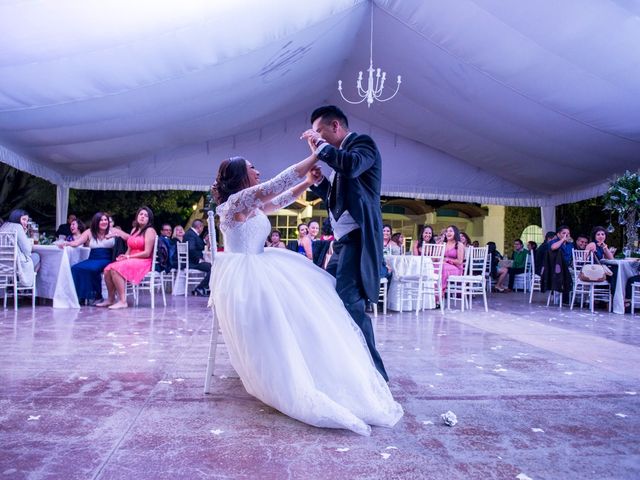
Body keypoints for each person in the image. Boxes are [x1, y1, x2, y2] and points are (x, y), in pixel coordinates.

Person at [210, 154, 402, 436]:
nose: (258, 170)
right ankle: (294, 371)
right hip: (246, 277)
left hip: (264, 263)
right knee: (293, 308)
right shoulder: (234, 204)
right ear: (241, 175)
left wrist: (308, 183)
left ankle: (317, 364)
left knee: (311, 304)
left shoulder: (251, 202)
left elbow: (278, 200)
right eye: (252, 168)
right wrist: (316, 154)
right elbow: (276, 185)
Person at [303, 105, 388, 381]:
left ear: (335, 126)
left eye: (319, 132)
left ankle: (375, 377)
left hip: (357, 241)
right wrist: (319, 184)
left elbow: (351, 167)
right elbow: (341, 197)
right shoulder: (340, 159)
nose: (316, 137)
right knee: (329, 297)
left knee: (351, 305)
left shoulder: (363, 145)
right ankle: (346, 368)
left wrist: (321, 148)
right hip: (340, 244)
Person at [98, 207, 157, 309]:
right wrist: (124, 257)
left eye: (146, 215)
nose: (142, 216)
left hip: (143, 261)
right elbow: (129, 249)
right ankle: (110, 299)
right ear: (137, 216)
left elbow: (147, 253)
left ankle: (122, 301)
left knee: (115, 269)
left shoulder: (150, 230)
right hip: (131, 258)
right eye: (141, 214)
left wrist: (129, 257)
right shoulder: (134, 230)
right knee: (107, 269)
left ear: (149, 219)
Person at [64, 212, 115, 304]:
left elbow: (128, 238)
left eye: (105, 220)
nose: (104, 222)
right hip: (93, 257)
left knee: (92, 269)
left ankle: (96, 296)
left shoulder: (113, 231)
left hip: (107, 258)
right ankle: (81, 296)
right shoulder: (89, 231)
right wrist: (65, 243)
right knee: (76, 268)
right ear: (96, 222)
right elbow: (76, 243)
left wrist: (116, 236)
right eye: (101, 220)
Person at [0, 209, 38, 287]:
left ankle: (16, 284)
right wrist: (24, 233)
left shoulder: (4, 226)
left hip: (3, 264)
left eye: (27, 220)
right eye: (23, 219)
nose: (25, 223)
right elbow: (27, 251)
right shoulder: (18, 227)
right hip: (16, 264)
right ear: (16, 218)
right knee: (37, 257)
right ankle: (24, 286)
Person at [585, 226, 617, 295]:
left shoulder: (602, 246)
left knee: (615, 272)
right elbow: (584, 258)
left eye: (603, 234)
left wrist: (605, 248)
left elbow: (612, 259)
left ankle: (611, 297)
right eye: (598, 234)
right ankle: (613, 296)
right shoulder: (592, 244)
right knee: (615, 273)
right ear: (594, 236)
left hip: (599, 270)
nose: (601, 236)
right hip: (592, 270)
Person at [184, 219, 211, 296]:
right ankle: (200, 288)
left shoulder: (192, 234)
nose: (202, 230)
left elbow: (197, 246)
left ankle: (205, 288)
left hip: (192, 261)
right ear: (199, 227)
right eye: (202, 227)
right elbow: (191, 249)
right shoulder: (190, 235)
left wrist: (205, 241)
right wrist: (199, 260)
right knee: (213, 268)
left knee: (212, 266)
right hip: (192, 262)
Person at [441, 225, 465, 294]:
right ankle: (432, 294)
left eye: (450, 231)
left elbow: (460, 261)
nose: (448, 233)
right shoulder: (443, 244)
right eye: (447, 231)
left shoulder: (459, 244)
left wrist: (447, 260)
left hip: (457, 269)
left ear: (455, 233)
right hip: (444, 266)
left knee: (442, 268)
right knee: (436, 267)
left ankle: (439, 295)